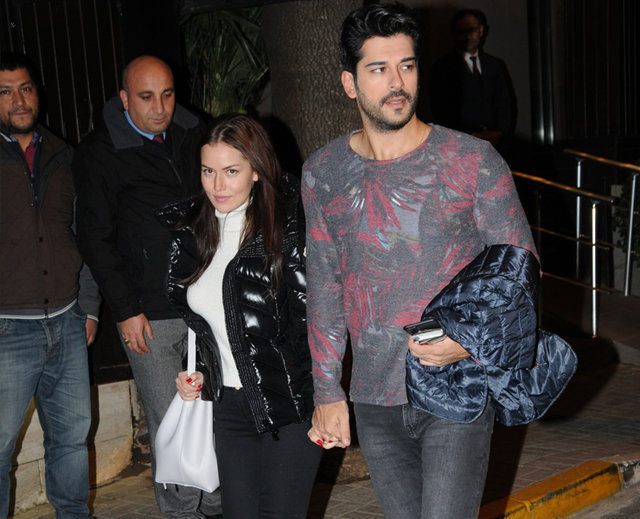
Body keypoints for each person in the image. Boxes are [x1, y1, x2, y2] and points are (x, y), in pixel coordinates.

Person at [302, 3, 536, 518]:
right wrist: (326, 390)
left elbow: (520, 274)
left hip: (457, 386)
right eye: (378, 69)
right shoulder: (323, 173)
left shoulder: (472, 161)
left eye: (406, 65)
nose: (397, 83)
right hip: (373, 396)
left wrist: (469, 342)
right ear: (349, 83)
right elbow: (324, 285)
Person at [72, 56, 222, 518]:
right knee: (171, 419)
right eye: (145, 97)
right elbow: (95, 238)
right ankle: (181, 513)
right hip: (147, 313)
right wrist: (124, 308)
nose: (159, 108)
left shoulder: (197, 134)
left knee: (216, 409)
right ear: (124, 98)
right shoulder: (99, 152)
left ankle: (218, 506)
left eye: (167, 94)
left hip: (205, 302)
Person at [163, 113, 321, 519]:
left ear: (256, 171)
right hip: (229, 408)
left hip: (288, 408)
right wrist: (198, 370)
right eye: (208, 171)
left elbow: (313, 326)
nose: (218, 185)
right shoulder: (194, 234)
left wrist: (327, 401)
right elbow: (208, 323)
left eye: (231, 171)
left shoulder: (289, 229)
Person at [0, 52, 100, 518]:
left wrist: (89, 306)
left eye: (25, 88)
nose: (18, 100)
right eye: (4, 92)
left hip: (67, 323)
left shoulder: (65, 156)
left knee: (71, 441)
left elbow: (85, 234)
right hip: (7, 330)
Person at [430, 9, 515, 147]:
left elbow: (505, 104)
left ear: (481, 30)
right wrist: (471, 135)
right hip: (460, 144)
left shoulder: (494, 65)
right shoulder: (442, 67)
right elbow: (441, 109)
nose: (468, 36)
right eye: (461, 32)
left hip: (495, 145)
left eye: (472, 30)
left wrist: (500, 133)